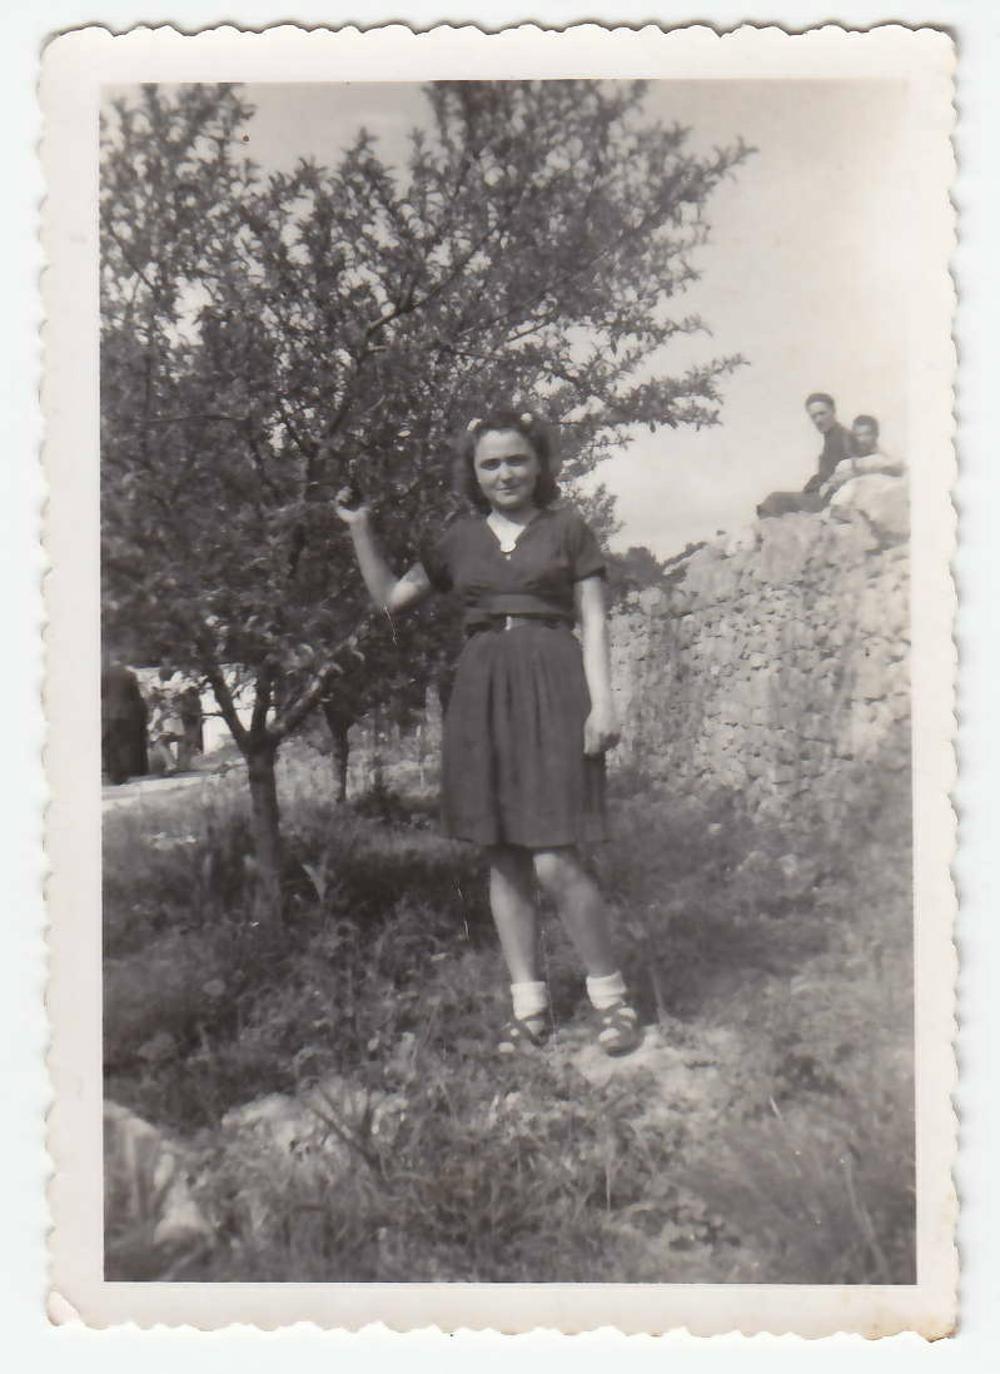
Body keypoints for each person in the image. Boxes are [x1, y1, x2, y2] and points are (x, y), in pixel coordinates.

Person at [336, 406, 641, 1057]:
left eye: (517, 460)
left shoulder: (568, 529)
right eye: (491, 464)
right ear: (473, 473)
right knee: (503, 856)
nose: (505, 474)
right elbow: (390, 600)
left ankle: (612, 1000)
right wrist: (361, 529)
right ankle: (529, 1007)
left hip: (555, 683)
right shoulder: (458, 540)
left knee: (557, 857)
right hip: (480, 692)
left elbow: (594, 620)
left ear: (539, 464)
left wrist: (603, 704)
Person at [802, 392, 856, 494]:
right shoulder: (830, 438)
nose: (818, 420)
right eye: (814, 416)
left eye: (822, 413)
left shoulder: (845, 437)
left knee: (776, 498)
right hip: (828, 493)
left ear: (833, 411)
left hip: (839, 495)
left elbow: (854, 471)